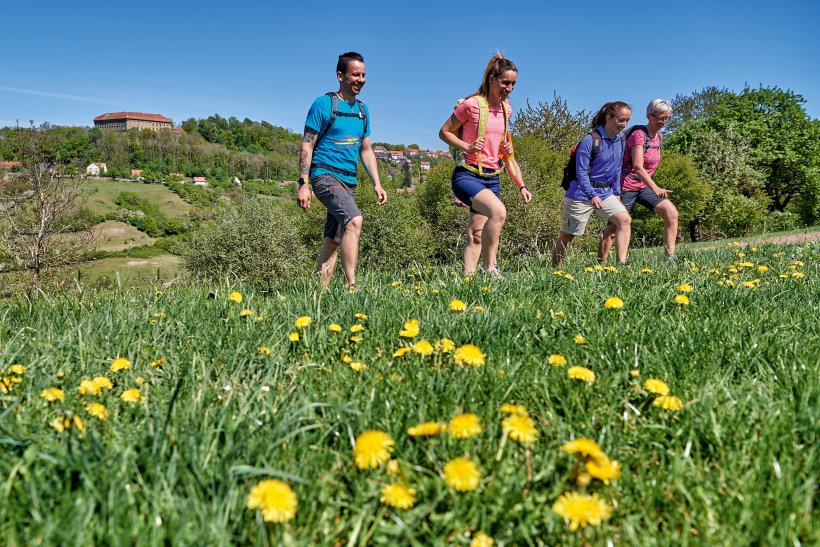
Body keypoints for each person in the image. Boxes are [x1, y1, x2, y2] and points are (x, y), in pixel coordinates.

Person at [297, 52, 388, 289]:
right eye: (355, 74)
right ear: (340, 76)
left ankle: (318, 294)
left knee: (333, 240)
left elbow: (366, 150)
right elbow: (308, 142)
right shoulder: (324, 104)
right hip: (325, 175)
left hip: (350, 182)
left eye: (364, 75)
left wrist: (377, 183)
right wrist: (303, 183)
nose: (361, 80)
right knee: (354, 220)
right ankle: (352, 287)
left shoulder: (363, 110)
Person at [438, 54, 532, 277]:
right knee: (498, 212)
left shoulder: (506, 110)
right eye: (505, 82)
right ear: (492, 79)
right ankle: (490, 268)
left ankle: (467, 281)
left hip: (492, 177)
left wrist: (521, 185)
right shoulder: (471, 106)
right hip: (467, 175)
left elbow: (507, 153)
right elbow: (444, 132)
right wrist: (467, 147)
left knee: (476, 233)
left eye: (513, 84)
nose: (509, 88)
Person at [552, 102, 632, 265]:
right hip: (581, 193)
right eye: (621, 120)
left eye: (627, 121)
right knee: (568, 234)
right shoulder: (590, 140)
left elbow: (617, 168)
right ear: (608, 118)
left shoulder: (621, 139)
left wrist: (616, 192)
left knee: (624, 220)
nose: (624, 125)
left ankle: (621, 264)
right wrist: (592, 194)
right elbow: (581, 172)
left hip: (606, 193)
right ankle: (554, 269)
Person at [600, 99, 679, 262]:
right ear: (649, 116)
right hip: (625, 186)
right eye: (660, 118)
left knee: (671, 213)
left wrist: (651, 187)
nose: (663, 122)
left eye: (667, 118)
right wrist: (655, 188)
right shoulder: (638, 135)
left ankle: (670, 257)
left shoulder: (659, 137)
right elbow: (637, 167)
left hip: (644, 186)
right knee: (614, 229)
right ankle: (601, 264)